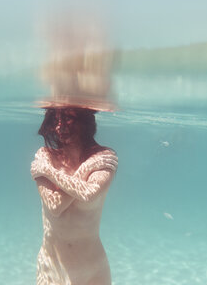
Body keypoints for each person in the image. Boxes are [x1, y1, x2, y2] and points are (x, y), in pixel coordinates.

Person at [31, 107, 118, 285]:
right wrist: (86, 169)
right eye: (55, 121)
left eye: (68, 119)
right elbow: (55, 206)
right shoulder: (45, 156)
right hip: (51, 266)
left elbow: (88, 193)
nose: (60, 127)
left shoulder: (104, 155)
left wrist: (48, 172)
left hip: (92, 268)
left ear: (85, 122)